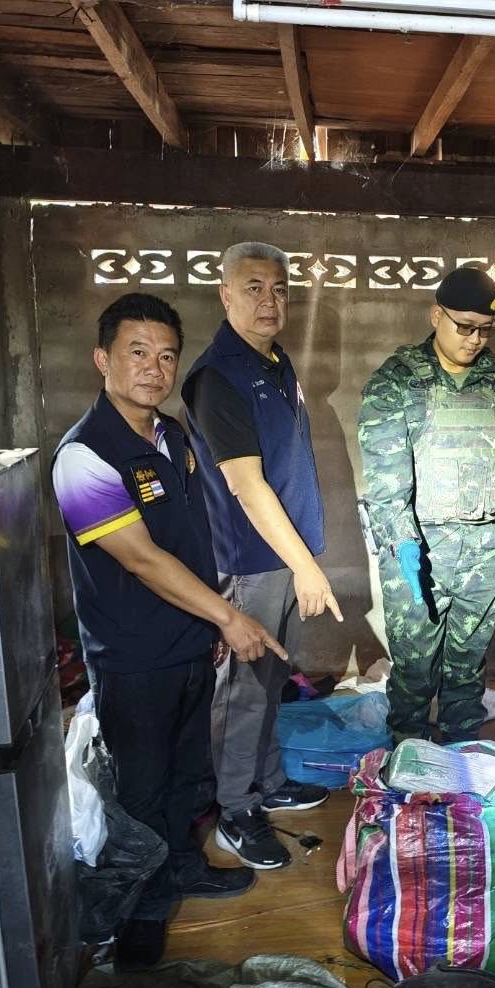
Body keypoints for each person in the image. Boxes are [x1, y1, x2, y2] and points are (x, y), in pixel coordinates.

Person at [53, 292, 285, 968]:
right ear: (102, 359)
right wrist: (229, 616)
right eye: (136, 353)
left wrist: (208, 621)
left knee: (189, 773)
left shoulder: (173, 436)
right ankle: (141, 911)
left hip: (187, 640)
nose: (153, 369)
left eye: (165, 356)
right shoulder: (84, 457)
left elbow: (188, 539)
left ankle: (181, 867)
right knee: (142, 788)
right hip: (132, 655)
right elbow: (142, 560)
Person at [183, 242, 338, 871]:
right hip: (252, 561)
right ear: (225, 295)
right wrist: (305, 566)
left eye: (278, 289)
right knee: (244, 691)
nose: (268, 301)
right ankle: (234, 809)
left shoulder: (273, 361)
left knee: (273, 679)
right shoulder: (217, 377)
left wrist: (301, 559)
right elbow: (247, 487)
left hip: (285, 554)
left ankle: (267, 781)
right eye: (253, 288)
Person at [358, 267, 495, 744]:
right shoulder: (397, 381)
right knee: (413, 673)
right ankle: (408, 762)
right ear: (436, 316)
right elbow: (385, 477)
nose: (475, 339)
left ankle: (461, 764)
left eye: (486, 329)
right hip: (419, 552)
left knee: (467, 672)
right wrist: (403, 543)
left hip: (482, 552)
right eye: (465, 327)